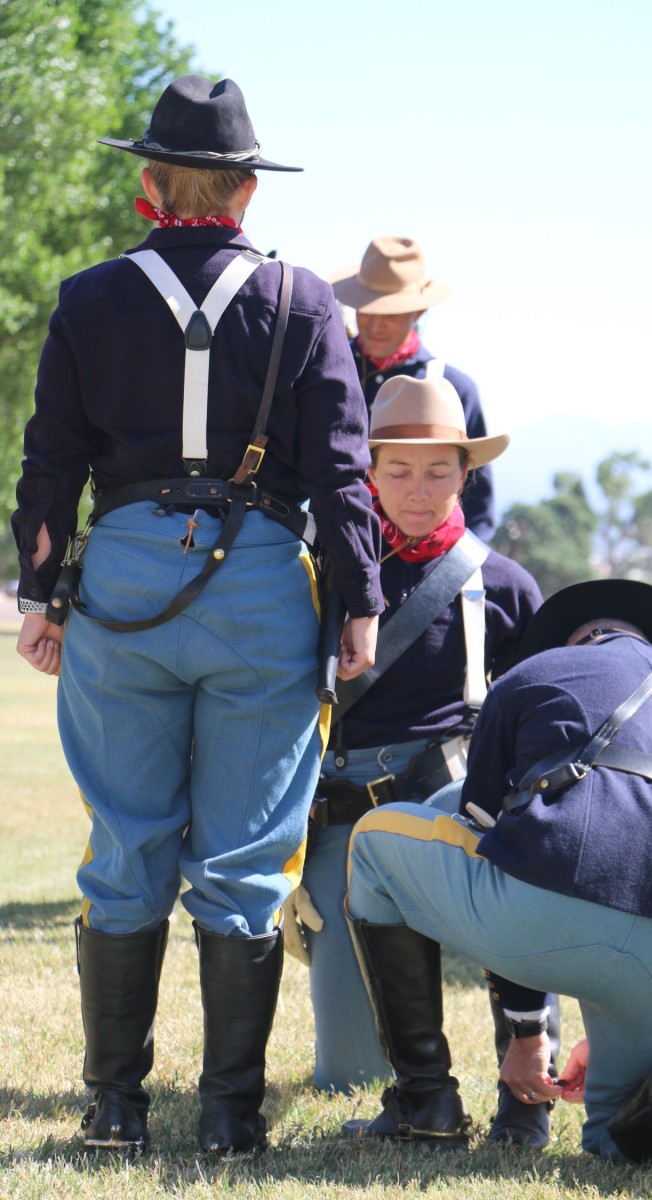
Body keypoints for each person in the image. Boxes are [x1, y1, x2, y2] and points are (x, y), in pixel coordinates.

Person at [11, 74, 382, 1157]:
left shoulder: (86, 297)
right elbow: (343, 477)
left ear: (149, 182)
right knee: (246, 856)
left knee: (125, 843)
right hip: (259, 578)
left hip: (125, 575)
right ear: (245, 194)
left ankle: (115, 1109)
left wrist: (42, 596)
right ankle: (227, 1118)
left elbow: (50, 464)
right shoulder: (305, 300)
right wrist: (355, 603)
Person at [344, 580, 652, 1189]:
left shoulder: (536, 673)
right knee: (618, 1138)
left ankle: (425, 1104)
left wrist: (527, 1030)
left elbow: (496, 844)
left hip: (549, 911)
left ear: (574, 640)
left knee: (371, 839)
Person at [285, 373, 559, 1146]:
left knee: (525, 911)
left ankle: (527, 1092)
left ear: (467, 476)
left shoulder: (505, 585)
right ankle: (420, 1101)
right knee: (347, 1068)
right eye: (397, 469)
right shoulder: (321, 568)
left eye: (439, 469)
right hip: (341, 818)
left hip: (460, 804)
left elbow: (542, 716)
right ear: (366, 471)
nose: (417, 487)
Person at [329, 236, 497, 542]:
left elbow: (479, 510)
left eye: (390, 313)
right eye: (367, 309)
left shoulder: (455, 390)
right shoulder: (325, 377)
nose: (376, 325)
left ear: (418, 312)